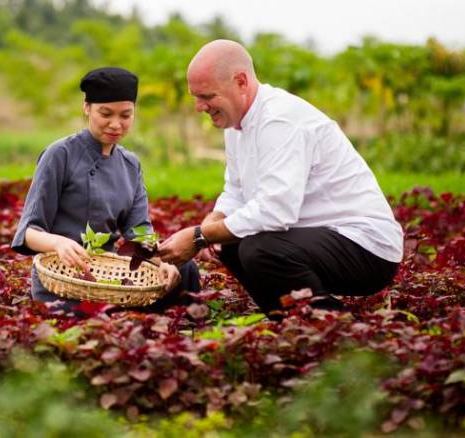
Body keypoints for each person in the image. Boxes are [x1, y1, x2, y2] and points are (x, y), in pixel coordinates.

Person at [158, 40, 403, 316]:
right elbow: (236, 190)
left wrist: (198, 236)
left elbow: (276, 212)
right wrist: (211, 223)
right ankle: (286, 319)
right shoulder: (236, 124)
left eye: (207, 96)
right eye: (195, 97)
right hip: (324, 238)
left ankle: (327, 322)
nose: (199, 106)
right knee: (231, 243)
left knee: (260, 250)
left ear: (240, 82)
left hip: (367, 247)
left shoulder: (279, 121)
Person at [12, 66, 200, 310]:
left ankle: (187, 335)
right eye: (106, 113)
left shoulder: (130, 164)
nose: (116, 124)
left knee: (183, 269)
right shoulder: (60, 154)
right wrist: (58, 243)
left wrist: (158, 261)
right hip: (64, 279)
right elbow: (29, 231)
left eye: (125, 115)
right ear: (87, 108)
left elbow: (139, 230)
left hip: (110, 278)